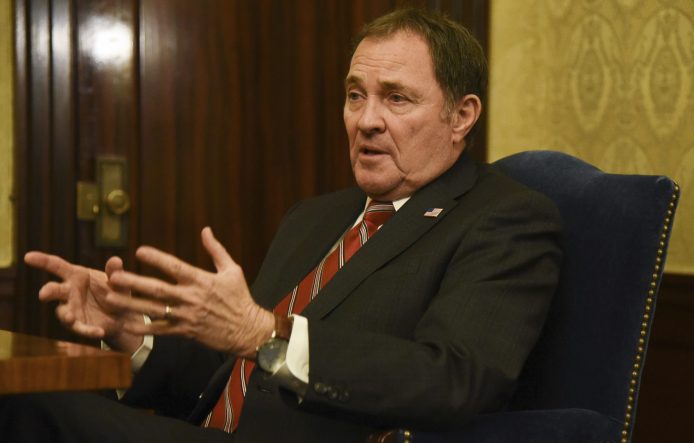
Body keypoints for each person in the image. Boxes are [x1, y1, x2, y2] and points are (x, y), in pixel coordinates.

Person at [1, 8, 562, 442]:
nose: (366, 121)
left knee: (28, 407)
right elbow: (232, 375)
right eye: (354, 96)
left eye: (396, 99)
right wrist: (135, 333)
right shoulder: (315, 217)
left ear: (461, 115)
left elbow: (455, 381)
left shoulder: (504, 219)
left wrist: (263, 334)